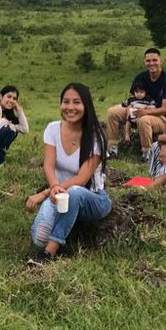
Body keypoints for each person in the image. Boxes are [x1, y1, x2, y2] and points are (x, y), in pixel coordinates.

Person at [25, 83, 112, 265]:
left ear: (86, 106)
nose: (70, 107)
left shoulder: (96, 136)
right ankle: (65, 228)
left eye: (77, 102)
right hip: (58, 195)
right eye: (66, 102)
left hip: (92, 198)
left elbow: (82, 179)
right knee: (39, 237)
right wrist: (54, 188)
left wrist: (45, 193)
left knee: (74, 192)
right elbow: (48, 166)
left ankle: (48, 254)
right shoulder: (52, 129)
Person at [105, 48, 166, 158]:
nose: (151, 63)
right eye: (148, 61)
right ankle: (113, 148)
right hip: (138, 108)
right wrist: (129, 110)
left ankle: (147, 153)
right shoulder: (141, 77)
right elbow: (132, 99)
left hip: (160, 117)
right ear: (144, 62)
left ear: (161, 60)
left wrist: (145, 112)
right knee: (112, 112)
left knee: (143, 119)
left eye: (154, 60)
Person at [118, 81, 157, 148]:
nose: (139, 94)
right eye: (137, 92)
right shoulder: (132, 99)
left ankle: (144, 142)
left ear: (145, 92)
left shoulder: (148, 99)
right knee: (128, 120)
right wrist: (126, 105)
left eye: (141, 92)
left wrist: (147, 108)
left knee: (142, 121)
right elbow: (125, 103)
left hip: (142, 115)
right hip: (133, 115)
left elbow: (153, 106)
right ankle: (127, 134)